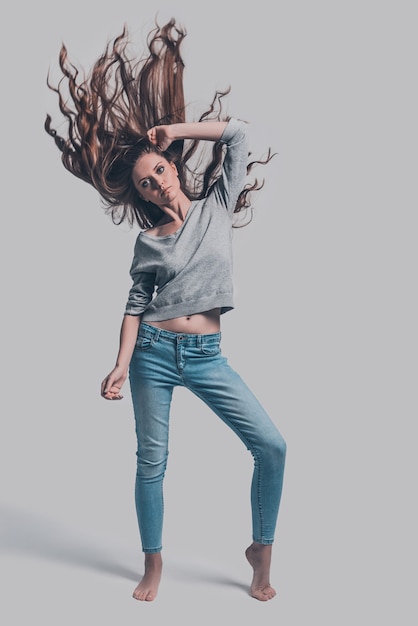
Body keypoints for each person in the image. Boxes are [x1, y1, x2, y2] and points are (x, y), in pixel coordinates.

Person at [45, 18, 286, 603]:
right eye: (145, 185)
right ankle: (152, 564)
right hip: (154, 353)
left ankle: (261, 553)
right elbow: (133, 306)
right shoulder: (148, 242)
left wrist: (173, 129)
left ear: (172, 164)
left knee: (272, 445)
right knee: (152, 460)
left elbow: (239, 133)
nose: (155, 183)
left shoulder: (217, 206)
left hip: (206, 356)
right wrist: (121, 364)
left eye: (158, 170)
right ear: (141, 197)